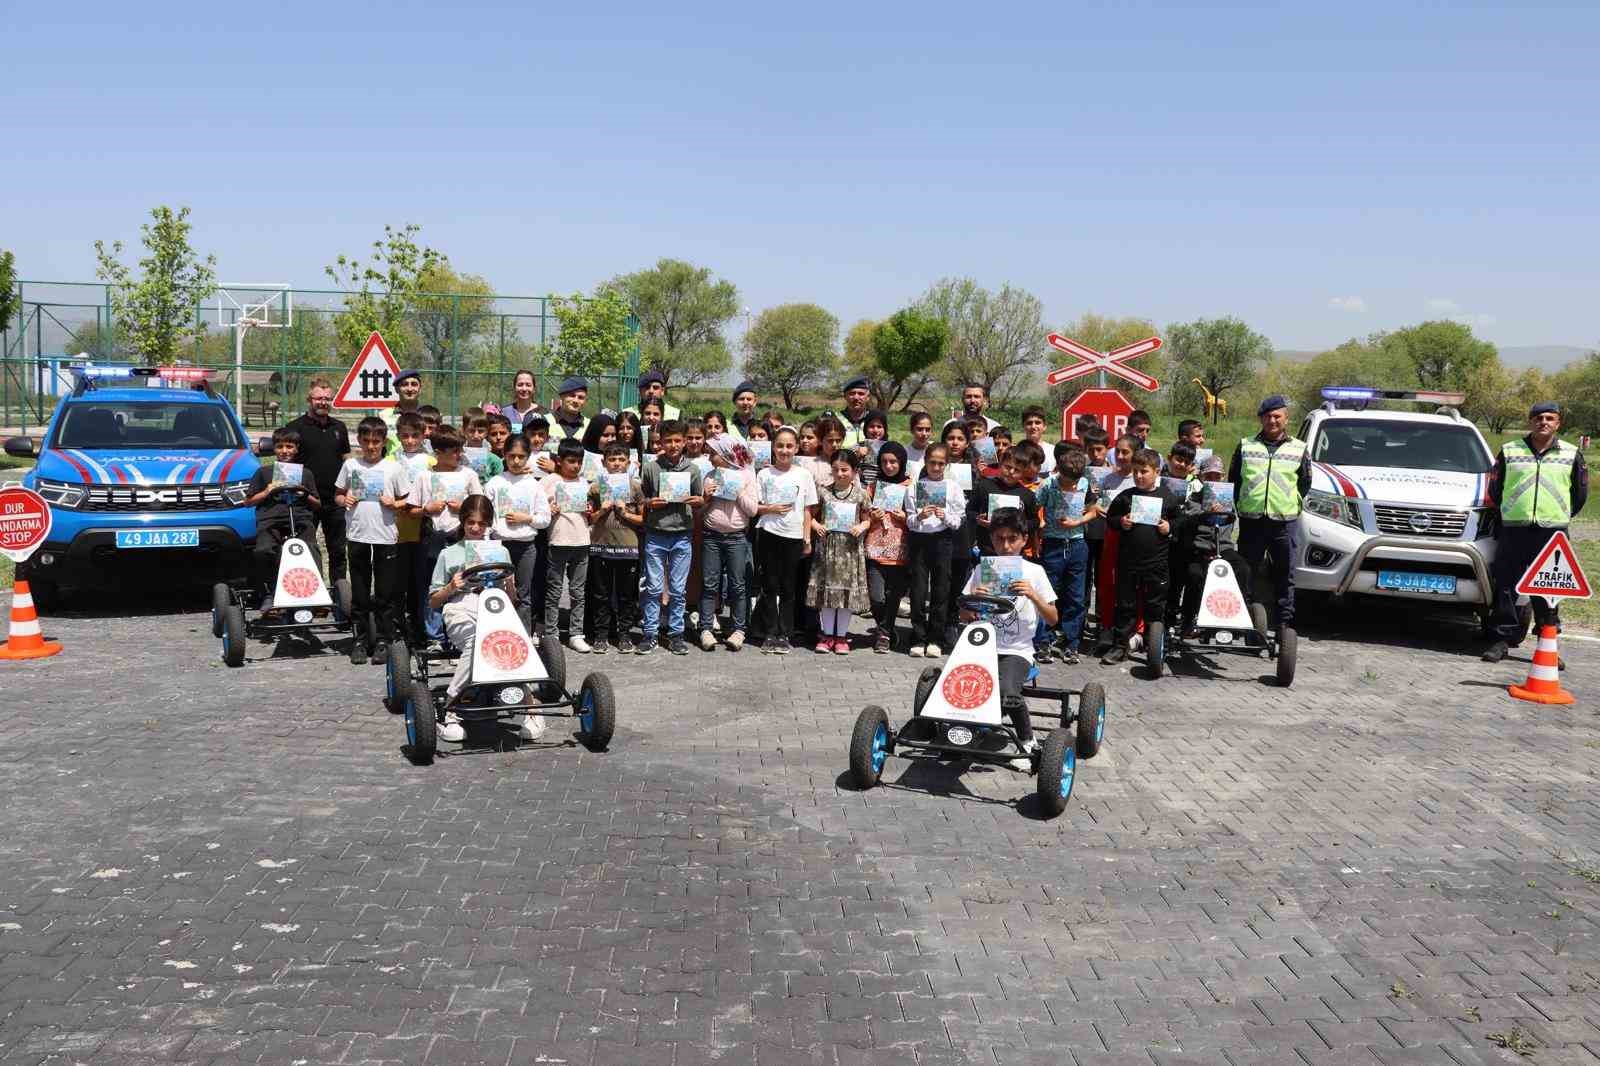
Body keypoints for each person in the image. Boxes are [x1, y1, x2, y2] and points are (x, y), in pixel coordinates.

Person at [427, 495, 542, 743]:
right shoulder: (448, 554)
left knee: (510, 642)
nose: (476, 528)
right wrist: (451, 587)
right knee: (478, 641)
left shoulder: (500, 551)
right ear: (463, 522)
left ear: (488, 524)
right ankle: (450, 706)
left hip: (495, 606)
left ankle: (530, 706)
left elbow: (511, 599)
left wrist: (509, 587)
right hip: (460, 607)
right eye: (471, 522)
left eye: (481, 523)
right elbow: (433, 601)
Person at [1482, 401, 1590, 662]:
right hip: (1514, 530)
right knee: (1507, 585)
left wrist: (1558, 515)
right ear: (1530, 421)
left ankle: (1547, 643)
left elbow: (1579, 494)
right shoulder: (1510, 451)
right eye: (1538, 418)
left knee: (1549, 589)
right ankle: (1501, 640)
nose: (1544, 422)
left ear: (1558, 423)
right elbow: (1495, 489)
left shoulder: (1571, 453)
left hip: (1552, 534)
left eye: (1549, 418)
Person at [958, 508, 1057, 768]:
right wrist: (974, 598)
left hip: (1017, 650)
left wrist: (1033, 595)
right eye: (999, 539)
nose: (1006, 546)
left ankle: (1027, 740)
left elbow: (1053, 619)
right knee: (956, 683)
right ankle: (965, 729)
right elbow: (964, 614)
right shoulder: (981, 570)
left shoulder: (1035, 572)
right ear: (991, 539)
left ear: (1024, 539)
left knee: (1007, 691)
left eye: (1012, 539)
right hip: (982, 645)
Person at [1228, 394, 1310, 635]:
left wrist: (1287, 504)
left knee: (1285, 573)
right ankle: (1243, 619)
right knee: (1246, 571)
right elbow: (1234, 481)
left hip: (1284, 524)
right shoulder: (1246, 446)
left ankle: (1284, 623)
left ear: (1286, 418)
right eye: (1267, 416)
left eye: (1277, 416)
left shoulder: (1299, 449)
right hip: (1252, 521)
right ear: (1260, 419)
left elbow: (1304, 483)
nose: (1272, 421)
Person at [334, 416, 412, 665]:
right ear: (359, 440)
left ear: (383, 442)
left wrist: (395, 503)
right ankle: (359, 640)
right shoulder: (351, 465)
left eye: (376, 442)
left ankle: (383, 640)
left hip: (385, 536)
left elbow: (407, 500)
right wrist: (344, 499)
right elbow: (338, 494)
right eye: (366, 441)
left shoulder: (394, 468)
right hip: (357, 534)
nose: (370, 446)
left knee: (384, 593)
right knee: (359, 592)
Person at [1101, 448, 1182, 664]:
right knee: (1125, 605)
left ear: (1157, 472)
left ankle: (1152, 645)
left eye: (1144, 471)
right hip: (1129, 562)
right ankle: (1120, 646)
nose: (1138, 476)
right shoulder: (1126, 497)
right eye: (1135, 471)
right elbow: (1111, 518)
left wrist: (1169, 526)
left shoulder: (1167, 497)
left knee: (1155, 605)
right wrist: (1121, 522)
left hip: (1156, 563)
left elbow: (1180, 521)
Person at [406, 425, 482, 644]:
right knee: (433, 586)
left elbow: (481, 506)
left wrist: (464, 507)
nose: (460, 454)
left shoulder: (468, 474)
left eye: (460, 449)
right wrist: (426, 509)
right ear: (439, 452)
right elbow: (411, 510)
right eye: (455, 451)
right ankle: (435, 637)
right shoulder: (424, 476)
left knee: (465, 584)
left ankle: (463, 631)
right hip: (433, 538)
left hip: (462, 538)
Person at [638, 420, 705, 655]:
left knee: (678, 589)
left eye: (678, 440)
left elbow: (699, 498)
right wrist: (649, 503)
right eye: (668, 441)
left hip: (682, 536)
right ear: (661, 442)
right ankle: (650, 633)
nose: (673, 445)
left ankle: (676, 634)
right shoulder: (651, 468)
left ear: (685, 441)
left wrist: (699, 501)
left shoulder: (693, 470)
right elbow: (642, 498)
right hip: (656, 534)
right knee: (653, 587)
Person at [753, 427, 818, 654]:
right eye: (780, 445)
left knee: (790, 587)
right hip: (769, 534)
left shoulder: (804, 475)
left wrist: (807, 538)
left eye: (789, 446)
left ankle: (785, 633)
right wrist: (770, 508)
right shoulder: (764, 474)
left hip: (794, 536)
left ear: (796, 448)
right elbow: (755, 507)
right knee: (770, 585)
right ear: (773, 447)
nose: (784, 450)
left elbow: (808, 510)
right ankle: (770, 632)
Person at [1034, 441, 1100, 664]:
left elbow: (1093, 510)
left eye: (1073, 482)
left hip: (1077, 545)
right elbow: (1034, 506)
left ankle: (1072, 643)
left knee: (1075, 596)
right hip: (1053, 544)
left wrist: (1077, 522)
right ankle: (1044, 640)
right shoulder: (1048, 484)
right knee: (1049, 593)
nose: (1070, 486)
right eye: (1066, 481)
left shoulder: (1085, 483)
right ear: (1059, 472)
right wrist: (1040, 527)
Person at [245, 427, 322, 611]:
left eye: (289, 447)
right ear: (274, 449)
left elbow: (317, 504)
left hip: (299, 518)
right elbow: (248, 502)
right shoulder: (263, 472)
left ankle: (315, 593)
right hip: (271, 520)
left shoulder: (305, 473)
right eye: (280, 447)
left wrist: (304, 492)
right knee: (264, 550)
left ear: (296, 449)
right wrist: (267, 491)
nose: (285, 451)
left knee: (310, 548)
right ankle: (269, 592)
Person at [284, 377, 351, 582]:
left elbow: (346, 459)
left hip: (335, 500)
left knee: (338, 551)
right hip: (306, 500)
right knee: (307, 549)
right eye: (318, 398)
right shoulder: (294, 427)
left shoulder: (339, 427)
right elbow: (286, 462)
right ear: (309, 399)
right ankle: (312, 591)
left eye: (327, 398)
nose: (323, 402)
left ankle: (339, 592)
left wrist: (351, 489)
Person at [484, 433, 551, 634]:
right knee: (496, 592)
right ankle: (496, 633)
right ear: (504, 455)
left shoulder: (534, 485)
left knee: (523, 593)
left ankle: (523, 636)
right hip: (498, 545)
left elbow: (545, 519)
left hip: (525, 546)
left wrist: (527, 518)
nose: (516, 461)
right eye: (511, 456)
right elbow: (486, 518)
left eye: (521, 456)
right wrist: (486, 543)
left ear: (528, 457)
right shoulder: (495, 483)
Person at [807, 449, 872, 654]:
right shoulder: (823, 492)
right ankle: (827, 636)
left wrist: (861, 527)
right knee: (827, 594)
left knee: (845, 595)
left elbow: (868, 519)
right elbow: (811, 515)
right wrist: (816, 525)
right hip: (828, 550)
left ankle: (841, 637)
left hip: (850, 550)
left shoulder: (861, 494)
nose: (840, 474)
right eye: (835, 469)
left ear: (854, 471)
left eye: (845, 470)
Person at [698, 437, 759, 651]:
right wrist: (706, 498)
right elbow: (699, 512)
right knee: (709, 584)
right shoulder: (709, 476)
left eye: (713, 453)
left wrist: (738, 492)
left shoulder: (746, 476)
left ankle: (738, 630)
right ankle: (706, 628)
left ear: (726, 455)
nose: (710, 457)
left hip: (736, 538)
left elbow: (752, 510)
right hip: (711, 537)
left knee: (737, 585)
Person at [1179, 456, 1251, 635]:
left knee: (1243, 569)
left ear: (1222, 477)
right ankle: (1189, 618)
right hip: (1201, 547)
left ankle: (1239, 615)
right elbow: (1189, 519)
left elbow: (1231, 519)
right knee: (1195, 574)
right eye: (1208, 476)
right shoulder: (1194, 498)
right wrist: (1206, 512)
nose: (1213, 479)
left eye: (1216, 476)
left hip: (1223, 547)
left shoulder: (1227, 498)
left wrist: (1224, 511)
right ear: (1201, 477)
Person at [906, 443, 965, 657]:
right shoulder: (914, 487)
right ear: (926, 462)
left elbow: (958, 521)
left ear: (946, 464)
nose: (936, 467)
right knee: (918, 590)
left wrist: (945, 516)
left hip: (943, 541)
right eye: (933, 463)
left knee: (941, 590)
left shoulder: (953, 487)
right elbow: (909, 521)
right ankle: (918, 637)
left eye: (941, 463)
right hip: (920, 542)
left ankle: (935, 639)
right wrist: (920, 516)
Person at [587, 442, 645, 654]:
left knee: (626, 595)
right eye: (612, 460)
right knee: (600, 594)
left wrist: (624, 513)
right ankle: (601, 635)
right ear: (604, 462)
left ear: (629, 462)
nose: (617, 464)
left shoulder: (636, 486)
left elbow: (643, 519)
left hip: (628, 548)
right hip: (600, 546)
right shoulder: (595, 487)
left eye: (621, 459)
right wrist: (602, 511)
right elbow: (589, 518)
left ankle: (625, 635)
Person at [541, 438, 595, 652]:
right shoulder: (550, 481)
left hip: (582, 541)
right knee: (554, 591)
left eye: (579, 461)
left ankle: (576, 634)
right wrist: (549, 509)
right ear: (559, 461)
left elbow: (590, 510)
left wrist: (589, 510)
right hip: (558, 541)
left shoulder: (584, 482)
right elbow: (537, 506)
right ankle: (551, 633)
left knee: (578, 591)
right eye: (571, 461)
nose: (576, 466)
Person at [865, 442, 911, 653]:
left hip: (900, 550)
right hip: (875, 548)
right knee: (876, 597)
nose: (888, 466)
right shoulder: (873, 486)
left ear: (902, 462)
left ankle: (884, 633)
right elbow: (862, 514)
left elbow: (919, 516)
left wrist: (906, 517)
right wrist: (872, 517)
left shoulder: (910, 486)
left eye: (893, 462)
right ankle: (886, 629)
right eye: (884, 462)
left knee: (893, 596)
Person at [392, 413, 433, 645]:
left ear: (423, 435)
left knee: (421, 579)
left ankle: (421, 627)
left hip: (423, 526)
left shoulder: (431, 461)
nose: (410, 441)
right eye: (405, 436)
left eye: (414, 436)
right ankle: (399, 627)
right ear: (398, 436)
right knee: (399, 580)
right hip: (398, 526)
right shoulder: (391, 459)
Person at [380, 368, 424, 451]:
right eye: (404, 384)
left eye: (414, 384)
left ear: (420, 389)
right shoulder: (383, 416)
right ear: (396, 389)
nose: (410, 389)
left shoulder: (428, 415)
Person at [549, 376, 590, 445]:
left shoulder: (589, 426)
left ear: (585, 401)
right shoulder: (546, 421)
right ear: (562, 396)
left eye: (580, 397)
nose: (576, 400)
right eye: (572, 396)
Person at [838, 377, 874, 447]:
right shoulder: (836, 419)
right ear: (845, 396)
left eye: (861, 394)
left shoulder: (874, 419)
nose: (856, 398)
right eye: (852, 393)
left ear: (868, 397)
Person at [1020, 408, 1056, 476]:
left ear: (1044, 426)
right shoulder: (1017, 450)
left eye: (1037, 423)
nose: (1033, 426)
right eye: (1029, 423)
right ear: (1023, 426)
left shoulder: (1053, 451)